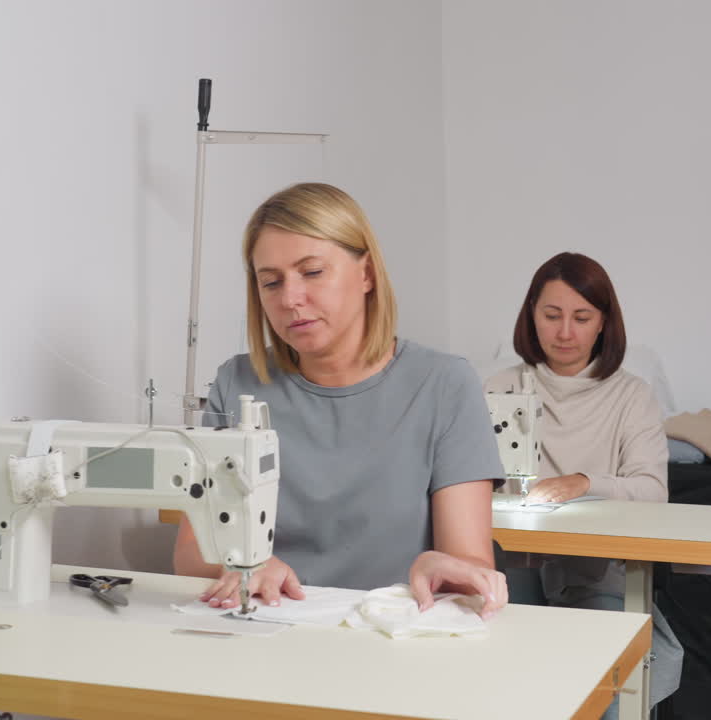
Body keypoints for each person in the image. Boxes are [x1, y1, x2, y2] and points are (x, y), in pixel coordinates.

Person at [172, 183, 507, 619]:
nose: (290, 299)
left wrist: (440, 565)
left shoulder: (443, 385)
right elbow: (188, 553)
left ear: (366, 274)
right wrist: (242, 565)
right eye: (270, 282)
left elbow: (474, 565)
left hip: (386, 632)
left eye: (312, 273)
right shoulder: (236, 382)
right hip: (269, 623)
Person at [484, 251, 682, 714]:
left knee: (606, 684)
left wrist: (583, 482)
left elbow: (653, 491)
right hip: (514, 566)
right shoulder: (502, 388)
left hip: (599, 575)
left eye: (581, 317)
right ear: (531, 316)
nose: (565, 332)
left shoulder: (632, 396)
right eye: (551, 315)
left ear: (603, 323)